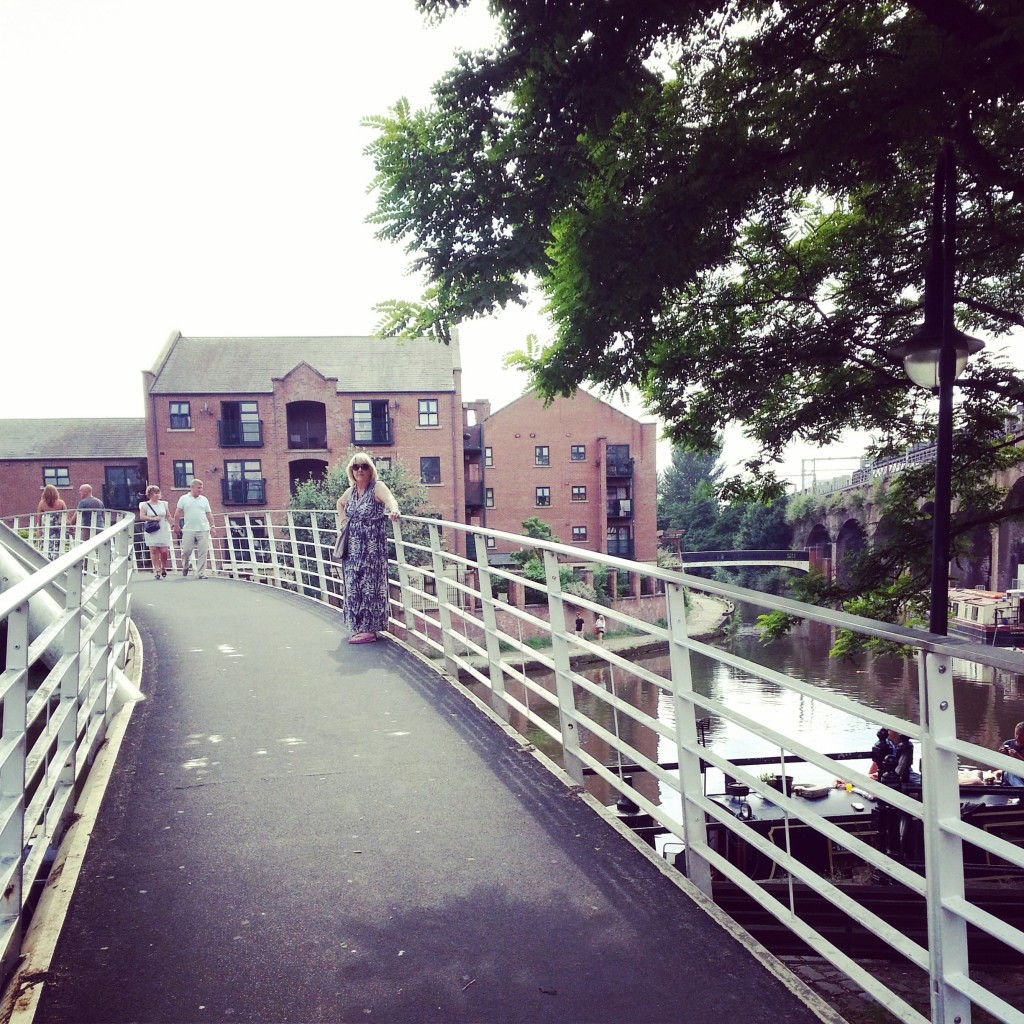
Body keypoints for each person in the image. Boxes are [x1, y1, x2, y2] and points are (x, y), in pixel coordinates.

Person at [336, 454, 400, 644]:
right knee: (353, 585)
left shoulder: (376, 487)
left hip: (371, 550)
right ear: (352, 471)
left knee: (370, 586)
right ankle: (358, 627)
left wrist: (394, 511)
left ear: (370, 469)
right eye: (356, 467)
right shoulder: (352, 491)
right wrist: (343, 522)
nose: (360, 470)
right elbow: (339, 504)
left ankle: (370, 630)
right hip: (352, 550)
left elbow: (390, 499)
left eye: (364, 466)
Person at [174, 479, 216, 579]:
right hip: (189, 529)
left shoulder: (204, 499)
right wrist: (176, 525)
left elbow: (209, 514)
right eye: (198, 487)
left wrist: (212, 526)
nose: (200, 490)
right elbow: (178, 512)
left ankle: (201, 573)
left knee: (203, 551)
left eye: (201, 487)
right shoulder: (183, 498)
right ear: (192, 487)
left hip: (203, 529)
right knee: (187, 550)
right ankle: (185, 565)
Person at [139, 485, 173, 579]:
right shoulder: (145, 505)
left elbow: (168, 515)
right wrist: (152, 518)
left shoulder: (164, 504)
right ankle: (157, 570)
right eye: (155, 493)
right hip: (152, 529)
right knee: (153, 550)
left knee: (164, 551)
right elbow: (142, 516)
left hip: (162, 528)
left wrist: (173, 524)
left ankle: (163, 567)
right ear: (150, 494)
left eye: (159, 492)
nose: (158, 495)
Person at [36, 484, 68, 561]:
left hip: (47, 528)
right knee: (57, 544)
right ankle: (57, 559)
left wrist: (39, 529)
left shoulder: (42, 503)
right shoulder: (61, 503)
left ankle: (47, 559)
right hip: (57, 527)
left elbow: (39, 517)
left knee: (46, 543)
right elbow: (65, 515)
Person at [998, 721, 1024, 787]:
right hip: (1009, 774)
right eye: (1016, 734)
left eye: (1021, 735)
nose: (1017, 737)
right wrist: (1002, 755)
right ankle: (1021, 789)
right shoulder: (1007, 744)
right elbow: (1001, 765)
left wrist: (1018, 756)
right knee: (1011, 772)